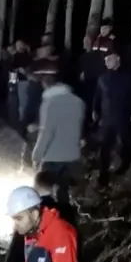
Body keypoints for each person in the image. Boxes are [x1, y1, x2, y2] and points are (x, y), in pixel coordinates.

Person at [30, 60, 85, 202]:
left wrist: (36, 155)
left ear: (45, 84)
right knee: (63, 192)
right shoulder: (78, 102)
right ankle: (65, 212)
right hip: (72, 157)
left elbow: (46, 133)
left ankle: (47, 213)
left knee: (44, 192)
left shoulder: (49, 104)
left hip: (53, 158)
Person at [94, 51, 131, 186]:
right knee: (105, 146)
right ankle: (103, 173)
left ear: (118, 60)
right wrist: (95, 110)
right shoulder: (102, 78)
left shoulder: (128, 78)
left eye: (110, 59)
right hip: (107, 118)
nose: (107, 62)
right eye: (106, 60)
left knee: (125, 142)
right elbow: (98, 96)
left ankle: (125, 164)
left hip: (122, 116)